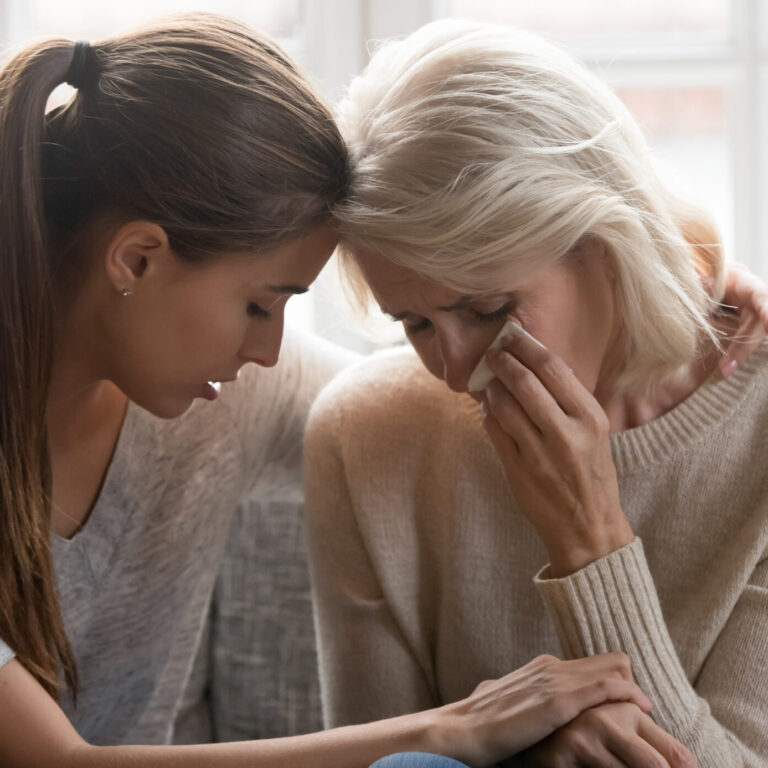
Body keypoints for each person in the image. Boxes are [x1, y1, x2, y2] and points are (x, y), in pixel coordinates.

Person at [0, 13, 672, 768]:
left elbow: (392, 412)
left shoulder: (228, 394)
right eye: (260, 304)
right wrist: (450, 730)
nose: (269, 348)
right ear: (136, 259)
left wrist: (675, 284)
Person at [305, 19, 768, 768]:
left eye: (488, 310)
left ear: (606, 239)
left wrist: (592, 544)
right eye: (413, 322)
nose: (457, 373)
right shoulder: (365, 437)